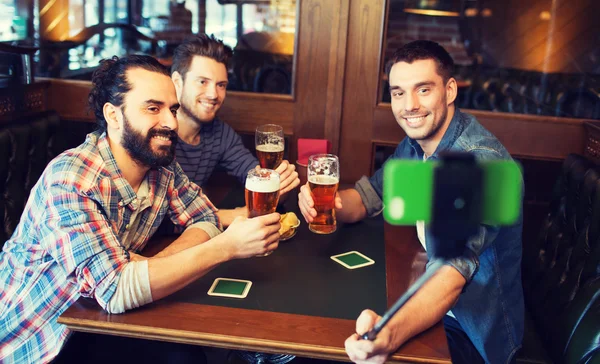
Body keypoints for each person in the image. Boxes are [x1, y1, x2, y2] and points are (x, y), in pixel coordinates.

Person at [0, 55, 281, 363]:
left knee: (186, 356)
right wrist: (226, 248)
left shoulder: (160, 166)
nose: (171, 122)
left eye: (172, 109)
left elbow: (205, 216)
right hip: (40, 339)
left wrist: (150, 266)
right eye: (152, 108)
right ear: (114, 115)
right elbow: (116, 290)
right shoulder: (72, 179)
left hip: (97, 320)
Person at [298, 40, 524, 364]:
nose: (409, 105)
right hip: (424, 294)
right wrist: (326, 202)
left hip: (468, 331)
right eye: (398, 92)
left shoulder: (479, 164)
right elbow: (368, 198)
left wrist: (388, 335)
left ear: (449, 91)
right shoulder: (416, 144)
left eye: (423, 89)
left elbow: (450, 272)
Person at [170, 34, 300, 226]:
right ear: (177, 82)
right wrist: (237, 214)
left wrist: (280, 185)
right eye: (202, 82)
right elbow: (159, 216)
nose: (213, 94)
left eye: (221, 85)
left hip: (192, 237)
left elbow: (258, 181)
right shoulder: (158, 134)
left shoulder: (221, 134)